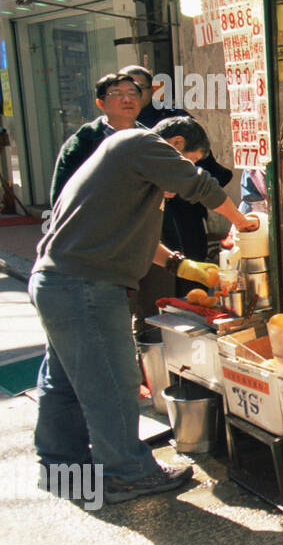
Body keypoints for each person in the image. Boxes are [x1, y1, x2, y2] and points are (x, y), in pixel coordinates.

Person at [30, 116, 260, 505]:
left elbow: (135, 237)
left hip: (57, 282)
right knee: (113, 383)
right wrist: (243, 223)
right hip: (87, 287)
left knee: (64, 381)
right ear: (174, 144)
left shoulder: (123, 166)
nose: (175, 187)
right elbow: (199, 185)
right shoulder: (138, 144)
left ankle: (61, 467)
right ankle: (127, 474)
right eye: (188, 159)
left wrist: (179, 265)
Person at [121, 64, 234, 297]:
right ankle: (150, 323)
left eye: (136, 90)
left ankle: (191, 307)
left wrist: (240, 222)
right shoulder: (116, 133)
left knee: (189, 268)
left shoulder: (172, 119)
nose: (129, 98)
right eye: (123, 91)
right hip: (129, 232)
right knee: (153, 277)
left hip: (185, 213)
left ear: (151, 91)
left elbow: (201, 170)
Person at [48, 72, 142, 204]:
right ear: (100, 103)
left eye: (132, 93)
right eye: (117, 94)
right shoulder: (81, 144)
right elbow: (61, 197)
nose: (127, 99)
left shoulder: (154, 139)